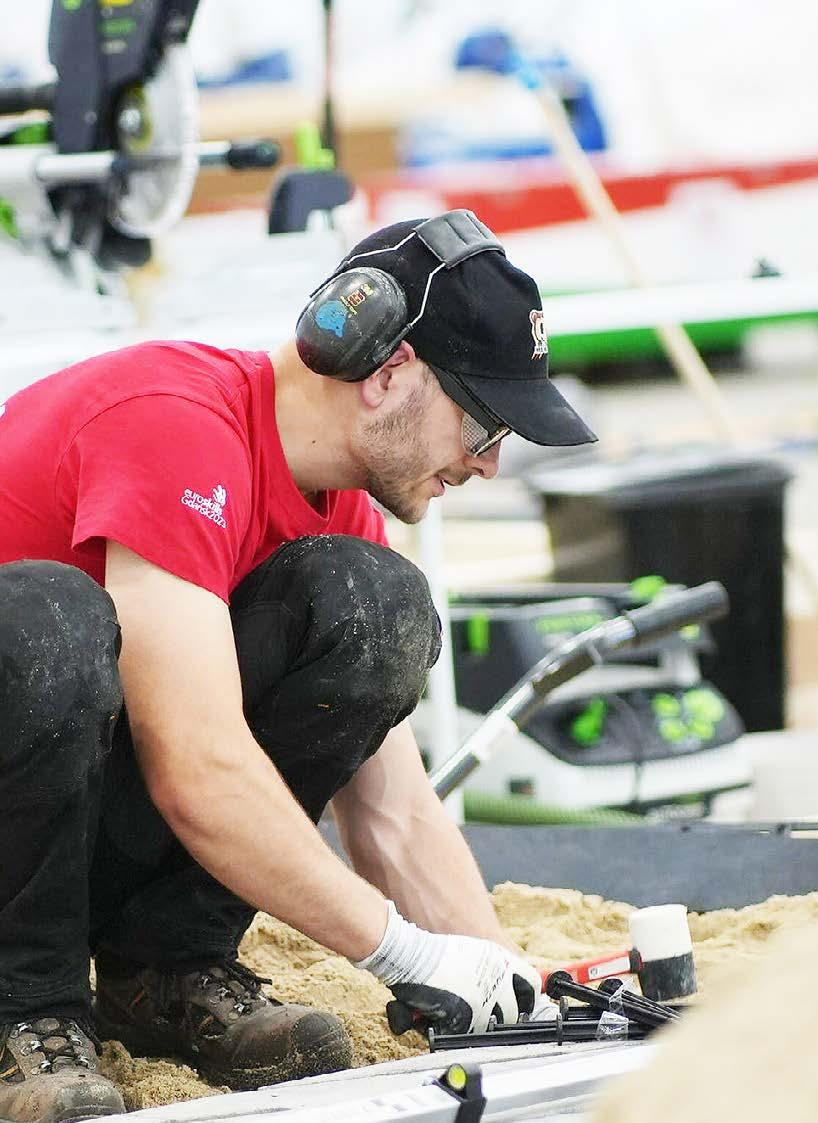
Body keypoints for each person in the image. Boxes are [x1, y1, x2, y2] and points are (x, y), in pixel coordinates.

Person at [0, 209, 597, 1123]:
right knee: (57, 618)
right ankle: (23, 1009)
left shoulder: (331, 508)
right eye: (483, 424)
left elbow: (394, 812)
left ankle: (163, 967)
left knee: (376, 605)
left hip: (49, 822)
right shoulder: (172, 423)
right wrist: (402, 953)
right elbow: (197, 770)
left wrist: (500, 978)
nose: (487, 464)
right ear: (388, 374)